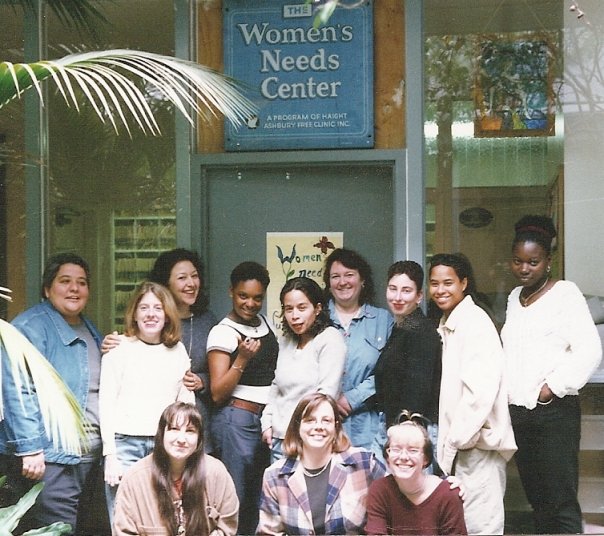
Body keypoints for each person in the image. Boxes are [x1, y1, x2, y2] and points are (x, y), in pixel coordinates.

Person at [501, 215, 602, 534]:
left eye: (533, 261)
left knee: (561, 501)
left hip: (554, 414)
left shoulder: (565, 293)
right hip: (520, 415)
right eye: (518, 261)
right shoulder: (514, 299)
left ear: (548, 261)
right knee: (538, 499)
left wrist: (552, 387)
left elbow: (589, 350)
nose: (524, 268)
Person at [0, 253, 104, 534]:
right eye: (65, 281)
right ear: (47, 289)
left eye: (81, 283)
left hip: (87, 459)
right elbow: (18, 390)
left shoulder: (87, 327)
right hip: (52, 459)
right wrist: (30, 447)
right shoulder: (32, 326)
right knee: (58, 529)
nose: (75, 288)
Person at [428, 253, 517, 535]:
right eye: (434, 283)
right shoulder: (449, 322)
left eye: (448, 282)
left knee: (481, 529)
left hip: (476, 448)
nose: (440, 290)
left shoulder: (475, 323)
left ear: (464, 283)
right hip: (462, 449)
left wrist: (455, 442)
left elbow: (479, 394)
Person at [103, 248, 217, 452]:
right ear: (165, 285)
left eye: (194, 276)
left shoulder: (209, 322)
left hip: (191, 422)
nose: (190, 284)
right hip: (142, 428)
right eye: (182, 278)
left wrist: (202, 381)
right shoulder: (148, 323)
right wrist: (111, 343)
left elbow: (219, 373)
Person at [100, 281, 194, 520]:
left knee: (165, 519)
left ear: (167, 315)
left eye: (157, 308)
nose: (150, 314)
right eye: (144, 308)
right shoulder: (118, 348)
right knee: (124, 520)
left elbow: (186, 405)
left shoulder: (178, 351)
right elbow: (106, 404)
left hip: (166, 447)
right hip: (124, 446)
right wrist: (110, 456)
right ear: (134, 314)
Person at [207, 261, 279, 534]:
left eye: (257, 297)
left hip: (264, 421)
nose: (250, 303)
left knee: (259, 499)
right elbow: (217, 393)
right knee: (235, 498)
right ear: (231, 292)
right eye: (243, 296)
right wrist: (242, 359)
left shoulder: (264, 324)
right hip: (236, 419)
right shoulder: (222, 331)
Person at [257, 392, 387, 535]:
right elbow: (269, 533)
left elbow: (394, 502)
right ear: (298, 427)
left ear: (336, 427)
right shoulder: (275, 475)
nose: (319, 426)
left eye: (326, 420)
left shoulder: (362, 462)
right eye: (310, 420)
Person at [113, 401, 239, 536]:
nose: (181, 439)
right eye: (174, 429)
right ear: (162, 434)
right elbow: (123, 532)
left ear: (199, 439)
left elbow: (227, 527)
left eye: (190, 431)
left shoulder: (216, 473)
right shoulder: (135, 478)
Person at [261, 276, 346, 462]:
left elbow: (327, 395)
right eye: (288, 309)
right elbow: (276, 386)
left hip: (310, 440)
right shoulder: (286, 341)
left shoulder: (330, 339)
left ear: (317, 308)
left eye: (302, 308)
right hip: (278, 440)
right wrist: (266, 422)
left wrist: (305, 433)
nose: (294, 316)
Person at [322, 248, 393, 454]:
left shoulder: (383, 320)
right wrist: (330, 401)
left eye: (349, 275)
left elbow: (388, 370)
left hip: (368, 428)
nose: (342, 282)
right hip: (324, 426)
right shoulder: (317, 320)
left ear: (362, 280)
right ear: (329, 283)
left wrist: (351, 399)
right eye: (335, 276)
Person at [373, 261, 442, 458]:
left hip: (411, 434)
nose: (397, 297)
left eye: (406, 291)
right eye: (392, 289)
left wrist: (403, 436)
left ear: (419, 296)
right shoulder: (402, 326)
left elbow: (417, 391)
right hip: (396, 428)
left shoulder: (420, 331)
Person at [365, 418, 467, 535]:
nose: (403, 457)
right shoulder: (380, 490)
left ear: (426, 459)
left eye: (413, 450)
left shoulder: (449, 493)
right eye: (396, 449)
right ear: (387, 457)